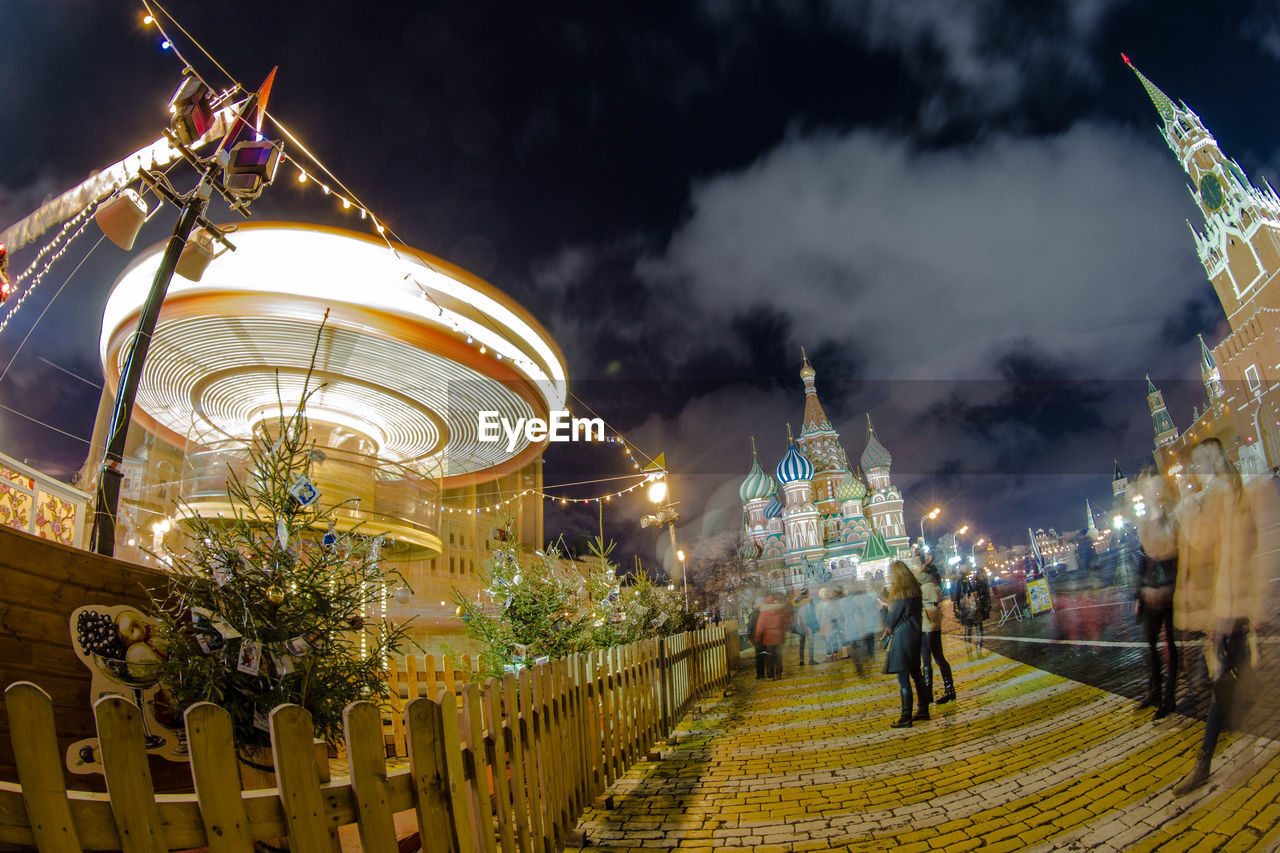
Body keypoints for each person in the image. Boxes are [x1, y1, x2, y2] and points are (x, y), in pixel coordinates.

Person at [1172, 438, 1259, 795]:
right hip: (1233, 608)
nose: (1196, 468)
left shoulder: (1224, 493)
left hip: (1232, 609)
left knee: (1224, 685)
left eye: (1200, 461)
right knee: (1227, 683)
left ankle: (1205, 763)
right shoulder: (1227, 494)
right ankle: (1210, 759)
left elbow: (1214, 548)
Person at [1132, 466, 1179, 718]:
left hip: (1167, 593)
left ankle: (1169, 697)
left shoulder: (1169, 517)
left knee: (1169, 644)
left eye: (1149, 487)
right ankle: (1155, 690)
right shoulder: (1145, 522)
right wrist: (1138, 594)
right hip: (1149, 595)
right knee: (1150, 645)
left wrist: (1166, 587)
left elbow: (1175, 555)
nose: (1146, 492)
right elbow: (1141, 560)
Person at [881, 561, 930, 728]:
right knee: (916, 674)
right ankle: (923, 709)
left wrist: (883, 610)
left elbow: (890, 622)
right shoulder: (915, 590)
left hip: (902, 638)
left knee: (903, 679)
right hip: (915, 635)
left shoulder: (900, 593)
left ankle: (906, 716)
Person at [916, 553, 956, 704]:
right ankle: (949, 689)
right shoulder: (934, 586)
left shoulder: (926, 587)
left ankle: (929, 694)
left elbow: (915, 580)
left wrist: (923, 567)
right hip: (933, 625)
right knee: (938, 658)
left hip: (927, 626)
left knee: (927, 660)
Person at [842, 579, 880, 676]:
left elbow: (842, 616)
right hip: (868, 628)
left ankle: (859, 665)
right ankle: (869, 661)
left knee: (855, 647)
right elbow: (874, 612)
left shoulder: (844, 601)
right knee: (868, 646)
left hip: (853, 630)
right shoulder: (867, 597)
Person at [753, 593, 791, 680]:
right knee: (778, 655)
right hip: (779, 636)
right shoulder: (780, 610)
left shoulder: (763, 613)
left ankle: (770, 675)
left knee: (770, 656)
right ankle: (779, 673)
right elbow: (787, 620)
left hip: (768, 637)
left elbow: (760, 627)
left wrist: (757, 638)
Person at [790, 588, 818, 666]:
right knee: (811, 642)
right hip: (808, 624)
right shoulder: (808, 601)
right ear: (807, 593)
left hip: (799, 625)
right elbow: (812, 613)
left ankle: (801, 661)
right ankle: (811, 660)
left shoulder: (795, 602)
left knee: (802, 643)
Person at [747, 599, 764, 679]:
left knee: (759, 656)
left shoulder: (754, 614)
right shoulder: (764, 612)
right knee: (765, 655)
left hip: (757, 637)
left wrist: (749, 638)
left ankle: (760, 674)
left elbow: (750, 626)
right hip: (765, 636)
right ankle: (768, 673)